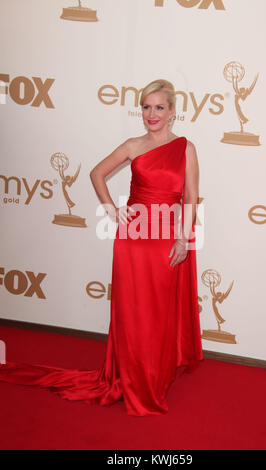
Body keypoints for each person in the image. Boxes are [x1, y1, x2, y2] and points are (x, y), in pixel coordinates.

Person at [0, 79, 203, 417]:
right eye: (146, 107)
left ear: (172, 112)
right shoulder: (133, 145)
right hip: (134, 239)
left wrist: (184, 238)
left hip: (167, 238)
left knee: (159, 312)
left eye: (159, 107)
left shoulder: (186, 148)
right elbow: (97, 173)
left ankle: (155, 376)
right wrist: (112, 208)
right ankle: (132, 378)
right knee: (134, 312)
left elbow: (191, 197)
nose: (151, 114)